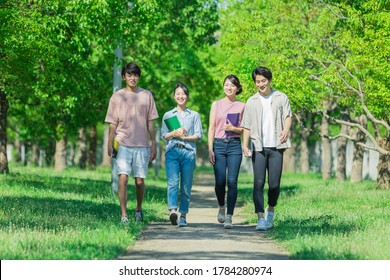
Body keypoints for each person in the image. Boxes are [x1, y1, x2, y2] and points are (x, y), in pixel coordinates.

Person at [105, 62, 159, 223]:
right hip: (122, 143)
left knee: (139, 180)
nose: (132, 78)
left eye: (135, 75)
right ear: (124, 77)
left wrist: (154, 144)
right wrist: (109, 144)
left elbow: (151, 122)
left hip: (142, 144)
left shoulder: (147, 95)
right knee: (122, 177)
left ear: (138, 77)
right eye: (129, 75)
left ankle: (138, 209)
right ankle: (123, 214)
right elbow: (112, 123)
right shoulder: (117, 96)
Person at [241, 66, 292, 231]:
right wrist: (245, 145)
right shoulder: (251, 101)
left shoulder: (281, 97)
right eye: (257, 82)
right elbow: (246, 125)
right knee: (258, 183)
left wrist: (286, 130)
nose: (260, 84)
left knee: (274, 184)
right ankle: (260, 218)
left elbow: (287, 116)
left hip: (277, 146)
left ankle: (270, 209)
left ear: (269, 80)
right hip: (259, 147)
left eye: (263, 81)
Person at [161, 83, 203, 227]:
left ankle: (183, 215)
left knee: (186, 185)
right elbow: (164, 136)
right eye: (178, 94)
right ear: (174, 97)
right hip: (172, 151)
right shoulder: (168, 115)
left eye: (183, 94)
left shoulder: (194, 115)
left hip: (188, 152)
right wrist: (174, 133)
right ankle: (173, 211)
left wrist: (185, 137)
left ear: (187, 97)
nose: (181, 96)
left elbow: (198, 135)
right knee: (172, 182)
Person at [208, 75, 245, 229]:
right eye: (226, 85)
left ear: (237, 88)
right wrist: (210, 148)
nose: (229, 87)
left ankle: (229, 216)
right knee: (220, 182)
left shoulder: (243, 106)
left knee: (232, 182)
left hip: (235, 145)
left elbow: (245, 129)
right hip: (219, 145)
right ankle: (221, 206)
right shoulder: (216, 104)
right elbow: (211, 128)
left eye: (232, 85)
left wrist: (233, 129)